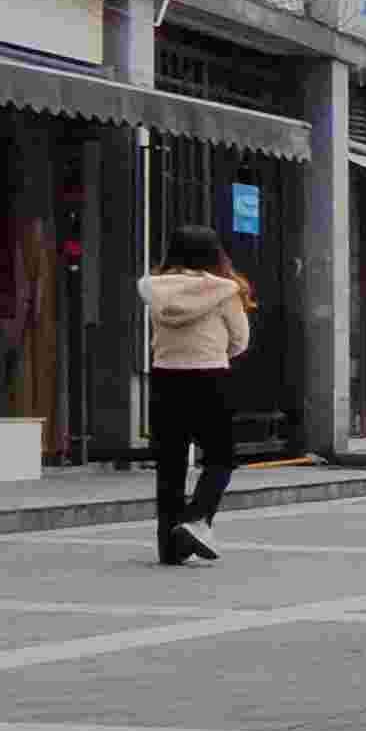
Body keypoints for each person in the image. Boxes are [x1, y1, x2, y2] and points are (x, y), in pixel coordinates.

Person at [141, 225, 252, 566]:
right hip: (210, 377)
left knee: (170, 464)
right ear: (215, 254)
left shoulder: (154, 289)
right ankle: (196, 519)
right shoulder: (225, 291)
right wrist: (216, 351)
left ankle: (169, 548)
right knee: (221, 456)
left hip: (164, 377)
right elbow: (240, 340)